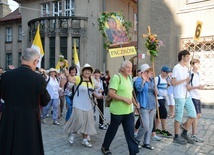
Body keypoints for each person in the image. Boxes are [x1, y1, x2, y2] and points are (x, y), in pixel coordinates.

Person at [0, 48, 50, 155]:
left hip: (9, 117)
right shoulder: (38, 79)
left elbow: (2, 95)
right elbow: (44, 101)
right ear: (35, 61)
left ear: (21, 59)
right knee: (29, 147)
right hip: (29, 120)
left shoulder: (6, 76)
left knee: (8, 145)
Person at [101, 60, 139, 155]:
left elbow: (130, 93)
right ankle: (105, 147)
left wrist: (135, 103)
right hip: (117, 111)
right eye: (127, 67)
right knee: (112, 130)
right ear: (122, 69)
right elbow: (111, 93)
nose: (130, 69)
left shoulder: (130, 77)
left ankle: (133, 152)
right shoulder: (116, 77)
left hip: (129, 111)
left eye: (131, 67)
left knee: (130, 133)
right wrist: (123, 99)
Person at [64, 64, 102, 148]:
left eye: (89, 70)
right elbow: (70, 79)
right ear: (82, 71)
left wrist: (98, 96)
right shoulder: (78, 78)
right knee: (79, 120)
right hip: (78, 102)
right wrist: (67, 73)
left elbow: (92, 91)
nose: (87, 72)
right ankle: (72, 133)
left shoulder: (92, 80)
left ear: (91, 72)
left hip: (88, 104)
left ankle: (84, 140)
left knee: (88, 122)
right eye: (85, 70)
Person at [172, 50, 196, 145]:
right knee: (179, 116)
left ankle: (184, 133)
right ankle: (176, 136)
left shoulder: (186, 68)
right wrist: (184, 80)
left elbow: (186, 82)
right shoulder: (176, 68)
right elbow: (173, 82)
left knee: (193, 114)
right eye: (187, 57)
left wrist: (188, 84)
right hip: (179, 95)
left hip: (187, 94)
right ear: (182, 57)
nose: (188, 59)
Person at [181, 59, 204, 143]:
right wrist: (197, 87)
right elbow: (188, 87)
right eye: (197, 64)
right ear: (192, 65)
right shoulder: (190, 74)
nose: (198, 65)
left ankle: (184, 125)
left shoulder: (198, 74)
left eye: (199, 64)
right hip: (192, 96)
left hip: (197, 96)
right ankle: (193, 134)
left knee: (198, 115)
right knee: (195, 115)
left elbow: (197, 85)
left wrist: (200, 87)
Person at [134, 64, 157, 150]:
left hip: (152, 105)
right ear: (143, 72)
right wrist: (143, 80)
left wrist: (156, 91)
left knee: (150, 125)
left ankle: (146, 142)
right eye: (147, 71)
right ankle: (136, 139)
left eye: (149, 71)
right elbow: (139, 89)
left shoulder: (151, 80)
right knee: (145, 125)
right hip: (143, 105)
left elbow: (153, 91)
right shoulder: (139, 80)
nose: (149, 72)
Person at [155, 66, 173, 137]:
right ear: (162, 71)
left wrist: (168, 85)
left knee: (158, 115)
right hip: (158, 98)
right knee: (164, 114)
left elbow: (165, 88)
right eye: (166, 72)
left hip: (163, 98)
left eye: (168, 72)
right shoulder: (157, 78)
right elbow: (154, 87)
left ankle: (155, 128)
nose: (167, 73)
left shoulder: (165, 79)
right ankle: (164, 129)